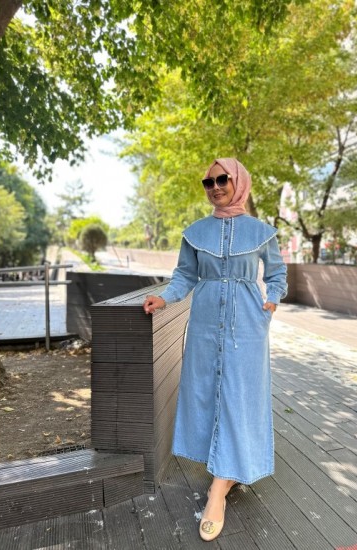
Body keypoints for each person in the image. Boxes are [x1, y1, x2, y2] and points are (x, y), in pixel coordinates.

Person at [143, 158, 288, 541]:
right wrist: (165, 297)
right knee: (207, 392)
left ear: (239, 181)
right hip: (205, 323)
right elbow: (184, 276)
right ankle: (227, 469)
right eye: (208, 182)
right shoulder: (195, 233)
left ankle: (217, 491)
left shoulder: (262, 232)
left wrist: (271, 299)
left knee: (240, 395)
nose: (216, 187)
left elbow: (277, 273)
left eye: (223, 179)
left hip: (247, 325)